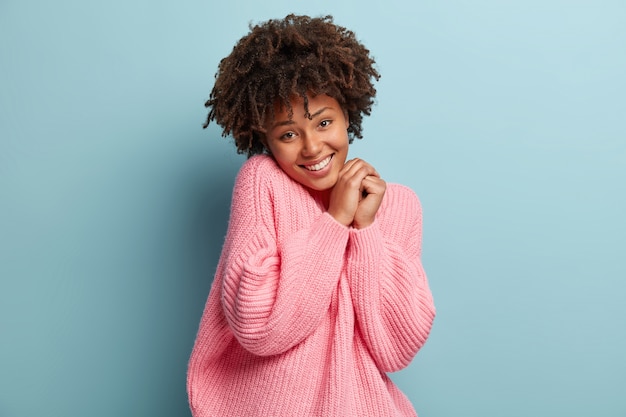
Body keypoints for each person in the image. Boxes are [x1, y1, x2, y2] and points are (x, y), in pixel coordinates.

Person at [187, 14, 436, 417]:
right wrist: (335, 222)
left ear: (347, 115)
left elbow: (396, 347)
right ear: (263, 139)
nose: (312, 147)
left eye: (324, 122)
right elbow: (260, 326)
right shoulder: (262, 182)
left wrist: (365, 228)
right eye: (288, 134)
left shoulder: (398, 206)